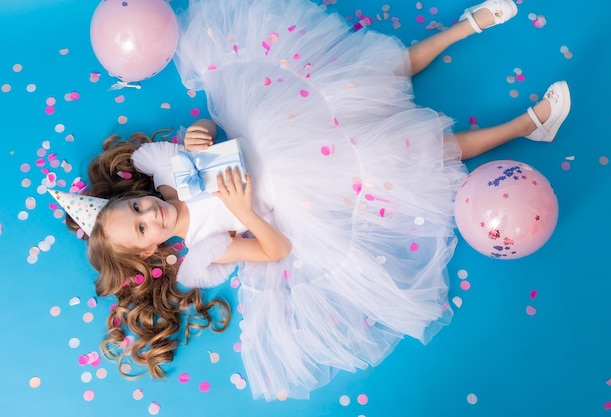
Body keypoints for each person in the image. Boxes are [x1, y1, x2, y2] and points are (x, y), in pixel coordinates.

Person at [57, 0, 571, 401]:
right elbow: (275, 250)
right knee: (424, 153)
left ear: (134, 196)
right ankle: (529, 125)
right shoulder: (204, 250)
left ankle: (465, 26)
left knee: (370, 75)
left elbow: (208, 129)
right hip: (308, 187)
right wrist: (243, 213)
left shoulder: (164, 172)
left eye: (138, 208)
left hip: (277, 121)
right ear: (150, 255)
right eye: (144, 229)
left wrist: (200, 132)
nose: (151, 215)